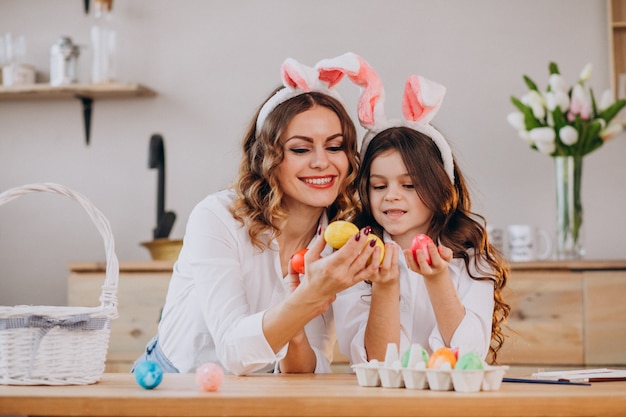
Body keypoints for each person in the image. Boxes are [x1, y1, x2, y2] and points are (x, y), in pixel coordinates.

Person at [133, 54, 380, 376]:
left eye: (335, 147)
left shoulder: (338, 242)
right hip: (173, 381)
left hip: (261, 391)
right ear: (267, 157)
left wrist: (294, 330)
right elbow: (233, 353)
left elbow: (308, 370)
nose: (322, 162)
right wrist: (307, 298)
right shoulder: (218, 217)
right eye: (301, 149)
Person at [332, 58, 510, 365]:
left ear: (439, 186)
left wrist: (437, 278)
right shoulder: (355, 256)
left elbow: (469, 355)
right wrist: (385, 285)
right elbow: (376, 360)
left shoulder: (468, 254)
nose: (392, 197)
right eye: (378, 186)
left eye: (410, 185)